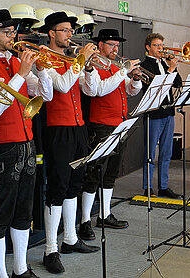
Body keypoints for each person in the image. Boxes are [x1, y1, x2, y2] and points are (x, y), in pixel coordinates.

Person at [0, 9, 53, 278]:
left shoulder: (13, 61)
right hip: (2, 146)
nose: (12, 37)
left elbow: (44, 94)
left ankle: (20, 268)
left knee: (23, 212)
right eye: (7, 33)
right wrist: (21, 71)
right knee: (1, 215)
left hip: (28, 143)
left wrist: (41, 71)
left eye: (13, 33)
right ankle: (0, 274)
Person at [38, 11, 102, 274]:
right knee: (58, 186)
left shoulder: (71, 59)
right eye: (64, 30)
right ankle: (50, 249)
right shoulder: (45, 57)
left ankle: (70, 239)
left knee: (74, 184)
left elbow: (91, 90)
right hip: (58, 129)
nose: (69, 35)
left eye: (70, 30)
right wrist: (80, 61)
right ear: (51, 33)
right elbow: (62, 87)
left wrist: (88, 67)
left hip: (78, 128)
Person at [79, 28, 141, 240]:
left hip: (119, 124)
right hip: (101, 126)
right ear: (100, 45)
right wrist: (123, 72)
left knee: (111, 173)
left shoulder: (116, 67)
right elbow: (99, 90)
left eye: (117, 45)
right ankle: (85, 220)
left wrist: (135, 79)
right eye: (112, 45)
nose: (116, 49)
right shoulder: (93, 65)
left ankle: (105, 214)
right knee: (94, 174)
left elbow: (131, 91)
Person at [140, 33, 182, 199]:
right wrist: (170, 69)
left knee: (166, 152)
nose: (160, 49)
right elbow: (157, 87)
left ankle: (163, 186)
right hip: (154, 114)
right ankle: (147, 188)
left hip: (168, 112)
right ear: (148, 47)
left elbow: (178, 83)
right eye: (157, 45)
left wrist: (172, 67)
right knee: (150, 153)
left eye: (161, 45)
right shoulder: (145, 66)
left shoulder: (164, 64)